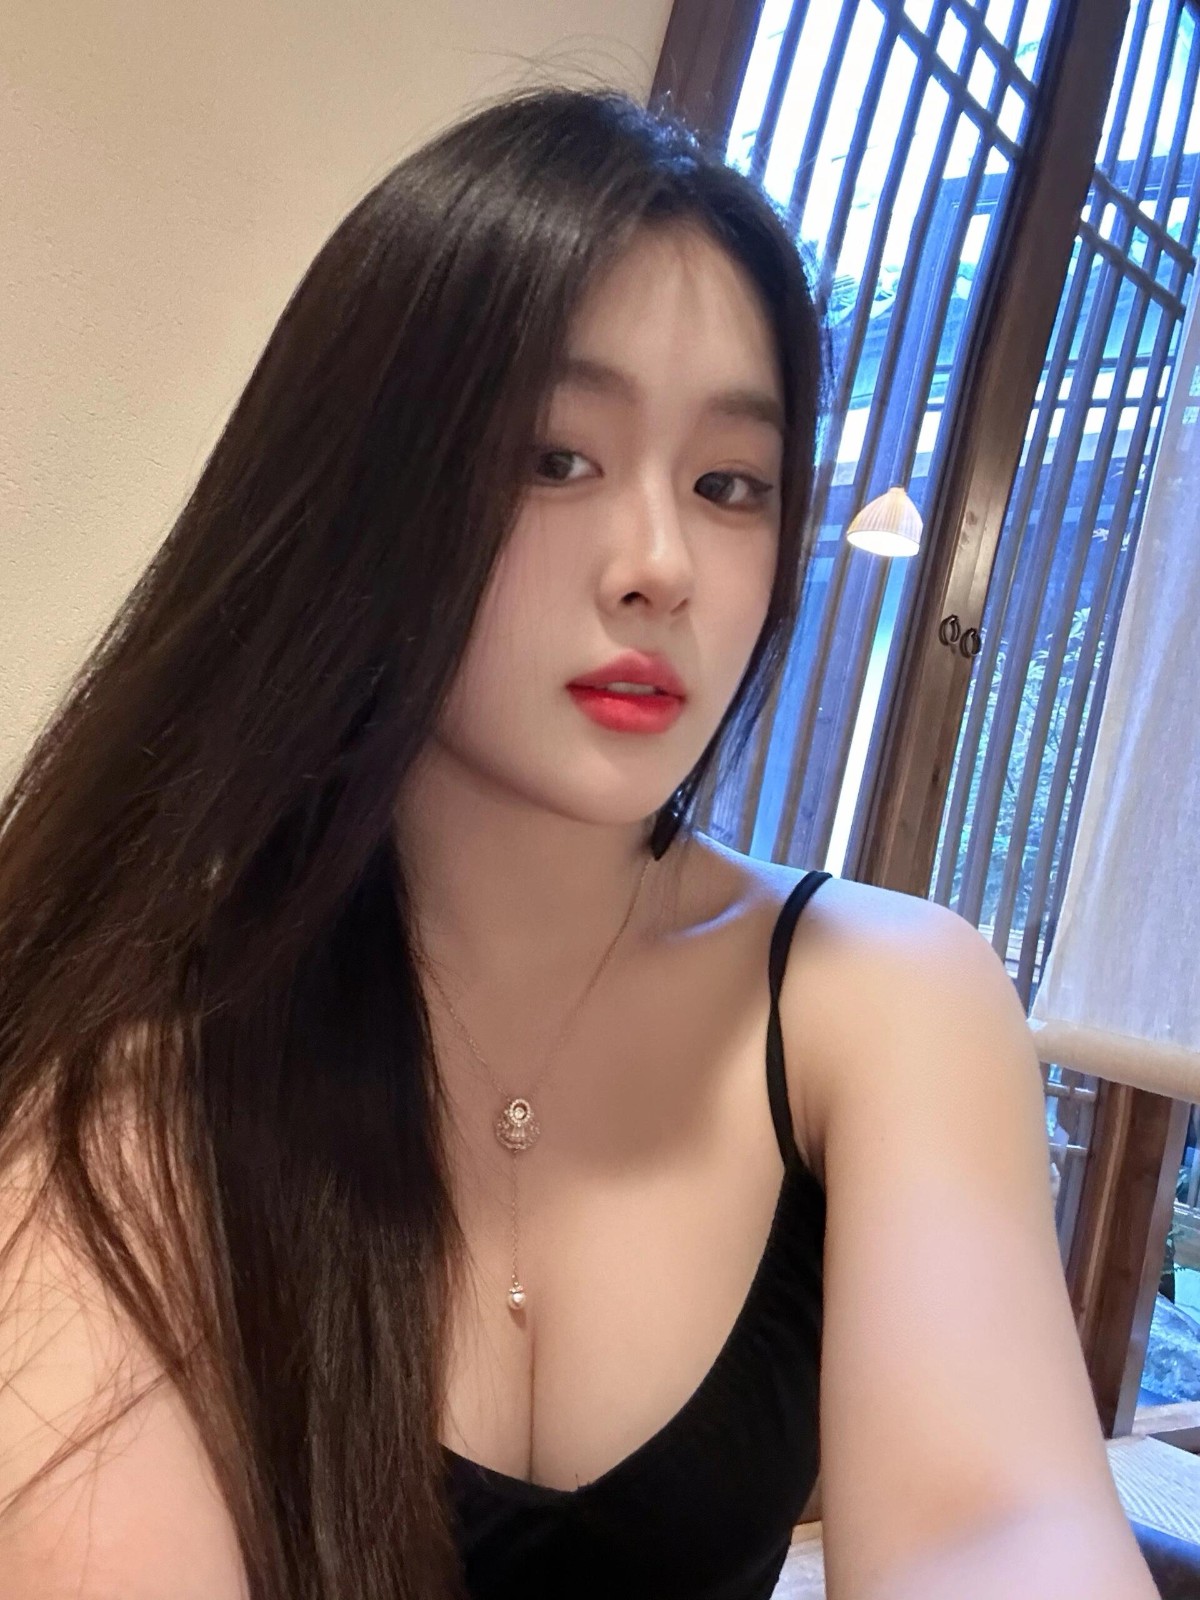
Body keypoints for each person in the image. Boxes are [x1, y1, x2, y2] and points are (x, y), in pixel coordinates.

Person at [0, 85, 1157, 1600]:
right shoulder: (135, 1053)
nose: (661, 565)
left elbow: (992, 1529)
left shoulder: (884, 1000)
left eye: (729, 486)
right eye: (554, 458)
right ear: (358, 494)